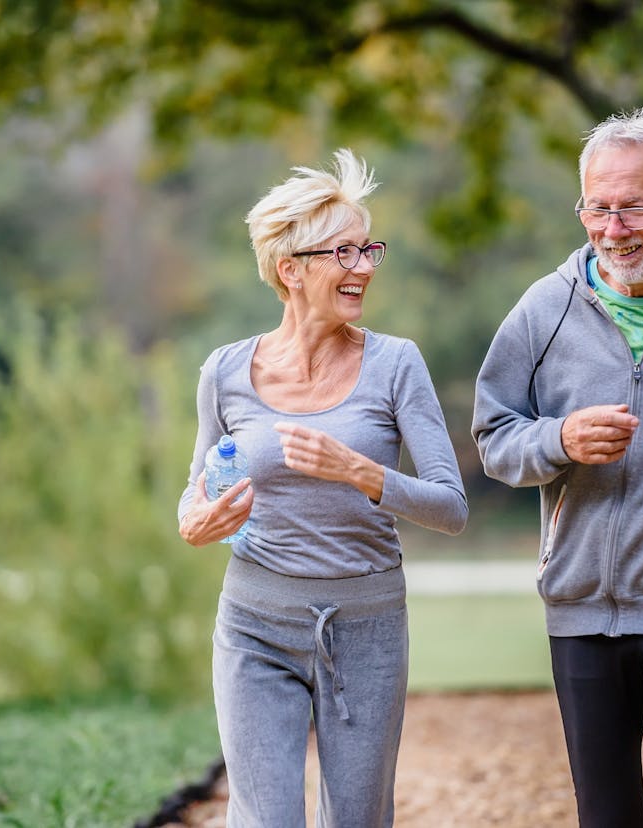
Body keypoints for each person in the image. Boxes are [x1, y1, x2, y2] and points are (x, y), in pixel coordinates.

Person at [177, 148, 468, 828]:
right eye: (344, 252)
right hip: (254, 621)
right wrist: (195, 520)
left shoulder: (396, 365)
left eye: (369, 249)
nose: (364, 266)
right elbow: (197, 489)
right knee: (264, 819)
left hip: (366, 624)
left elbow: (452, 507)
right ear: (291, 269)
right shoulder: (223, 372)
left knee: (358, 820)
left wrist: (360, 472)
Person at [472, 107, 643, 827]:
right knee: (607, 817)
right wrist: (557, 439)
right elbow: (494, 437)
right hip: (582, 615)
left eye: (634, 209)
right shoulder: (543, 311)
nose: (612, 229)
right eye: (598, 208)